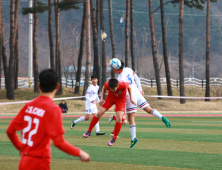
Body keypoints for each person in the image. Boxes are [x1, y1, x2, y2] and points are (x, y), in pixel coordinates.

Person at [6, 69, 90, 170]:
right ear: (58, 86)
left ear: (39, 87)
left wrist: (21, 147)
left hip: (24, 161)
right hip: (39, 162)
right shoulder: (54, 109)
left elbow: (10, 130)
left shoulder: (29, 106)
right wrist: (80, 153)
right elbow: (59, 142)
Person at [109, 60, 171, 148]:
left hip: (130, 97)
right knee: (149, 109)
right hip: (138, 93)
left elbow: (123, 91)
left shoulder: (120, 79)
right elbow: (137, 78)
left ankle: (133, 138)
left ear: (117, 69)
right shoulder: (129, 69)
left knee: (131, 118)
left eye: (113, 69)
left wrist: (118, 103)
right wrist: (140, 89)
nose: (112, 70)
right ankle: (162, 117)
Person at [83, 78, 136, 146]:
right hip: (110, 99)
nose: (113, 90)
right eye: (111, 89)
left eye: (114, 89)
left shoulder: (123, 85)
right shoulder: (107, 84)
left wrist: (131, 98)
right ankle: (89, 131)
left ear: (117, 86)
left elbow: (129, 87)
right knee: (99, 113)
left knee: (119, 118)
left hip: (120, 100)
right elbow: (103, 88)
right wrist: (102, 98)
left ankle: (114, 138)